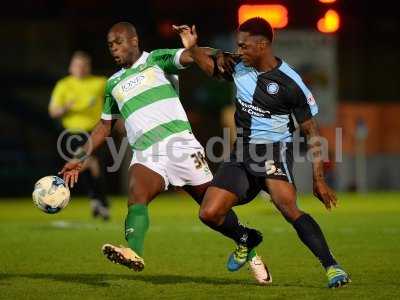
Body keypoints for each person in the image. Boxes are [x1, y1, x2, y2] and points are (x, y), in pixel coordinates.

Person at [59, 22, 271, 285]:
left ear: (134, 41)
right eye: (110, 45)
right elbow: (105, 126)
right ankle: (133, 250)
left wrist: (196, 48)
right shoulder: (112, 83)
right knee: (137, 195)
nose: (114, 49)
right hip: (146, 153)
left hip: (180, 145)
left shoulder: (157, 59)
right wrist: (79, 158)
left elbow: (190, 55)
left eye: (119, 42)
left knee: (212, 212)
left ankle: (248, 246)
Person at [173, 18, 350, 288]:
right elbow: (211, 65)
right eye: (238, 45)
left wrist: (319, 178)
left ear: (262, 44)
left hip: (273, 151)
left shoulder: (290, 82)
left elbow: (311, 131)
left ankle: (332, 266)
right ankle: (246, 238)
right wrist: (194, 48)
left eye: (244, 46)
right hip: (241, 151)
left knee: (287, 207)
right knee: (209, 213)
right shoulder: (239, 65)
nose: (239, 50)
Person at [49, 51, 110, 220]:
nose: (81, 69)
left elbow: (114, 102)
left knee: (92, 163)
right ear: (71, 67)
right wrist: (65, 107)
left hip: (96, 131)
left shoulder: (100, 83)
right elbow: (53, 111)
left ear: (89, 67)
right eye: (77, 65)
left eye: (84, 65)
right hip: (72, 134)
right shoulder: (64, 85)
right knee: (90, 163)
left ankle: (94, 200)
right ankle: (99, 201)